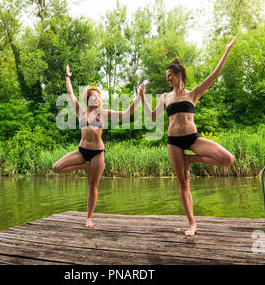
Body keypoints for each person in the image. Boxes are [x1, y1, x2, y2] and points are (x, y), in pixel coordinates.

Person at [140, 35, 239, 236]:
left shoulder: (193, 93)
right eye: (166, 75)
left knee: (228, 159)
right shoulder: (165, 97)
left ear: (179, 75)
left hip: (193, 139)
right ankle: (192, 223)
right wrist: (142, 98)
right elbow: (152, 116)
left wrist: (227, 49)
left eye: (170, 75)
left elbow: (215, 73)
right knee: (183, 182)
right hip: (173, 142)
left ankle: (191, 159)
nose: (167, 78)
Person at [52, 64, 143, 228]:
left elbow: (126, 114)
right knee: (56, 168)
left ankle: (88, 218)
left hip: (97, 154)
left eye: (98, 96)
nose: (96, 98)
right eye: (93, 96)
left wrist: (139, 98)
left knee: (92, 186)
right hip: (81, 151)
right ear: (87, 99)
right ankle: (83, 167)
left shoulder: (104, 113)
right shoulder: (80, 111)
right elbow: (71, 94)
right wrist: (67, 77)